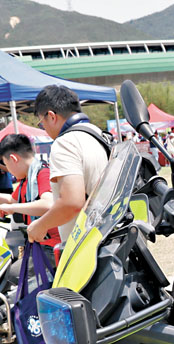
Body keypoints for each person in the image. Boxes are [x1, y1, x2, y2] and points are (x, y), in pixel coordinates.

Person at [29, 84, 110, 244]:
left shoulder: (65, 142)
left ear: (51, 116)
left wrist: (39, 226)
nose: (43, 128)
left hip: (87, 246)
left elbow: (72, 202)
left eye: (41, 123)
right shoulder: (97, 133)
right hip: (109, 235)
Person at [0, 133, 60, 250]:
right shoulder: (28, 178)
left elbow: (48, 205)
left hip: (52, 247)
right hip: (39, 243)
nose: (9, 170)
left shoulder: (43, 173)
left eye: (6, 164)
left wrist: (13, 208)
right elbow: (11, 200)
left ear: (13, 159)